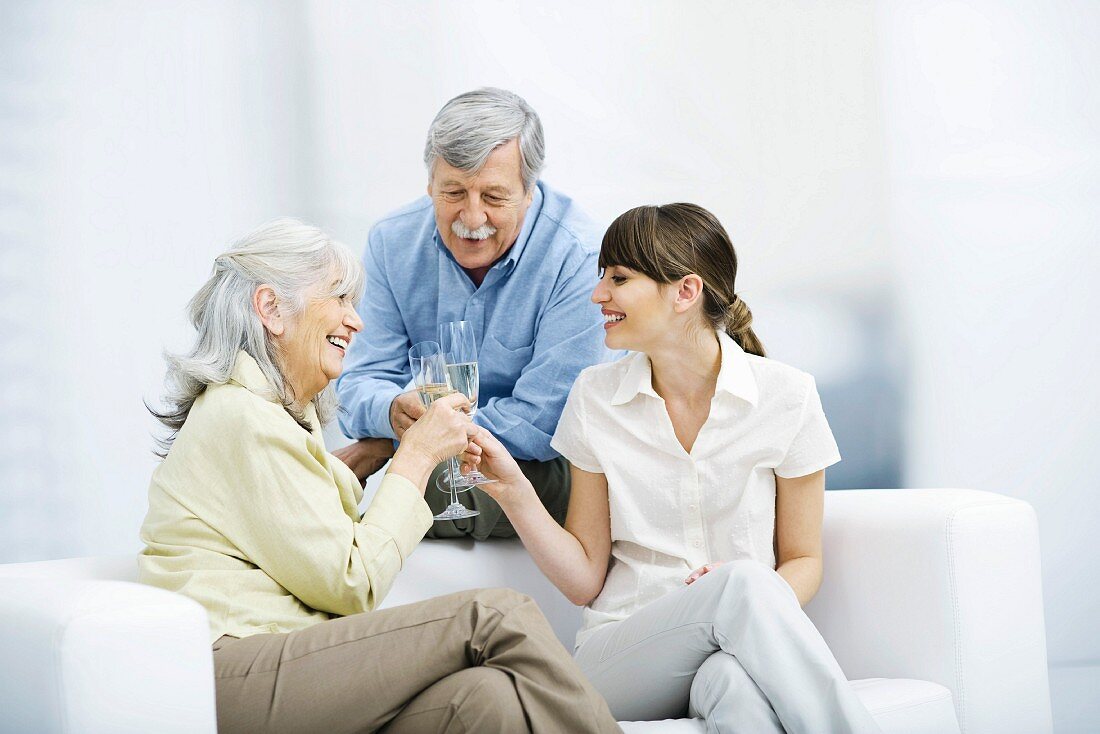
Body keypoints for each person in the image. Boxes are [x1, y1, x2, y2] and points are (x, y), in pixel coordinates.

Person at [138, 219, 620, 734]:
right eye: (339, 298)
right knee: (496, 616)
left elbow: (307, 530)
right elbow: (352, 581)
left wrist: (380, 448)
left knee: (487, 699)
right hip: (236, 671)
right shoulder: (240, 416)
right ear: (271, 309)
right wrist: (415, 457)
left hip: (285, 661)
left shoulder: (263, 417)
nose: (356, 321)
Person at [462, 204, 882, 732]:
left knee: (731, 684)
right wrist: (515, 491)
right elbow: (585, 578)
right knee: (743, 585)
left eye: (618, 278)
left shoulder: (787, 397)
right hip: (620, 656)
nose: (598, 295)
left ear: (686, 292)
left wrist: (736, 601)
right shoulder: (595, 397)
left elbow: (803, 560)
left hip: (729, 645)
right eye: (601, 278)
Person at [333, 87, 610, 540]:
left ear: (528, 190)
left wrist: (392, 441)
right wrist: (388, 412)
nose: (473, 216)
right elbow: (358, 381)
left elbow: (541, 422)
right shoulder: (391, 242)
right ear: (429, 185)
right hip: (440, 452)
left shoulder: (579, 256)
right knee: (307, 480)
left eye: (495, 197)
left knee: (431, 496)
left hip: (544, 459)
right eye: (454, 192)